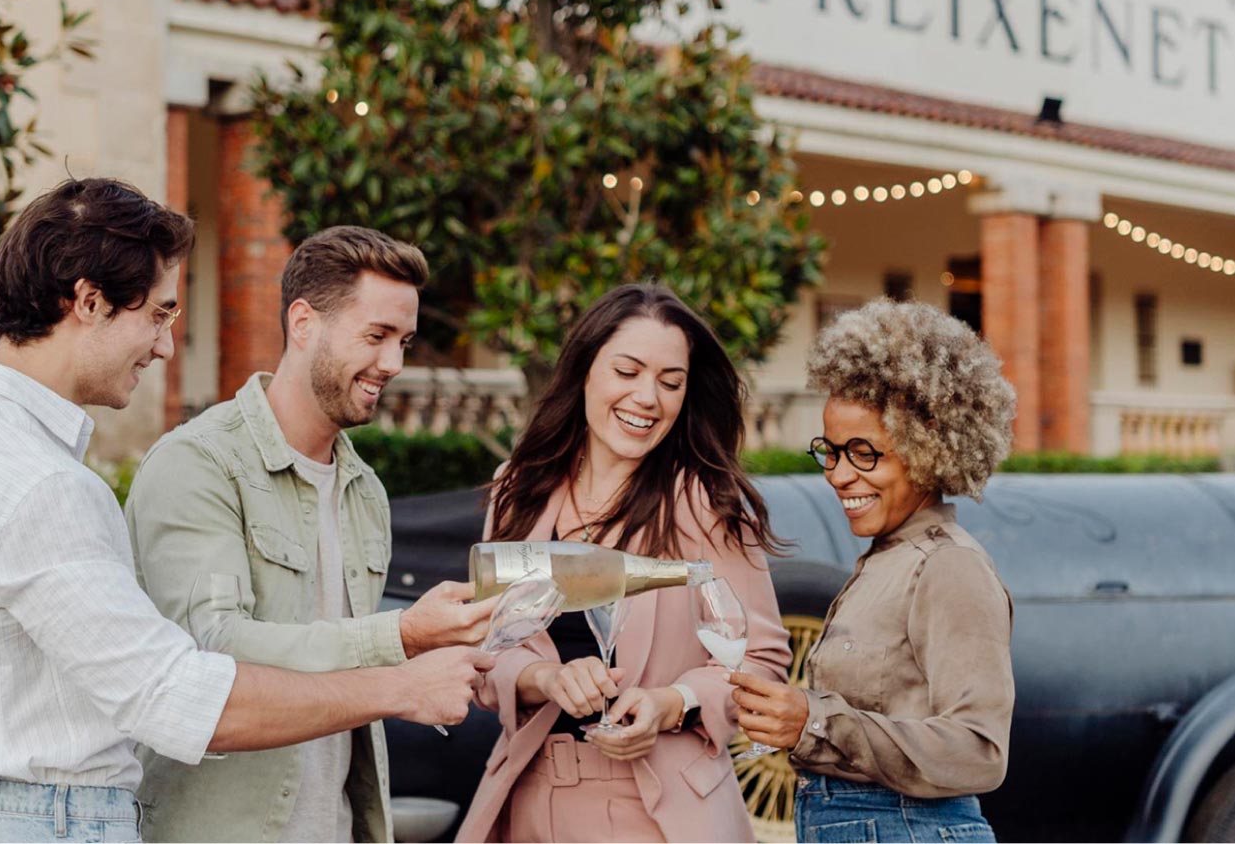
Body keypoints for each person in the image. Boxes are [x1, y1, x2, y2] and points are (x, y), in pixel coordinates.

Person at [0, 179, 491, 844]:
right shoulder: (43, 484)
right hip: (51, 826)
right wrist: (399, 685)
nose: (166, 346)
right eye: (159, 315)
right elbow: (177, 698)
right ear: (88, 301)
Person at [124, 225, 497, 842]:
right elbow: (214, 653)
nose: (394, 364)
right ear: (303, 323)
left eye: (403, 341)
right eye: (375, 337)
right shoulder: (198, 464)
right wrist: (401, 638)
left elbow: (341, 666)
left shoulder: (365, 491)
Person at [456, 284, 792, 843]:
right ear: (586, 371)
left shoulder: (703, 501)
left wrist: (671, 703)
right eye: (627, 371)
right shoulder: (520, 490)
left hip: (660, 810)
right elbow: (487, 649)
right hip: (529, 799)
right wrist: (547, 677)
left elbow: (760, 659)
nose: (648, 398)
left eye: (670, 382)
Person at [731, 298, 1017, 844]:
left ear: (928, 449)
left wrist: (814, 723)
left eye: (865, 453)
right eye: (831, 452)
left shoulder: (948, 566)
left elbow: (980, 752)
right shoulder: (887, 559)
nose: (839, 475)